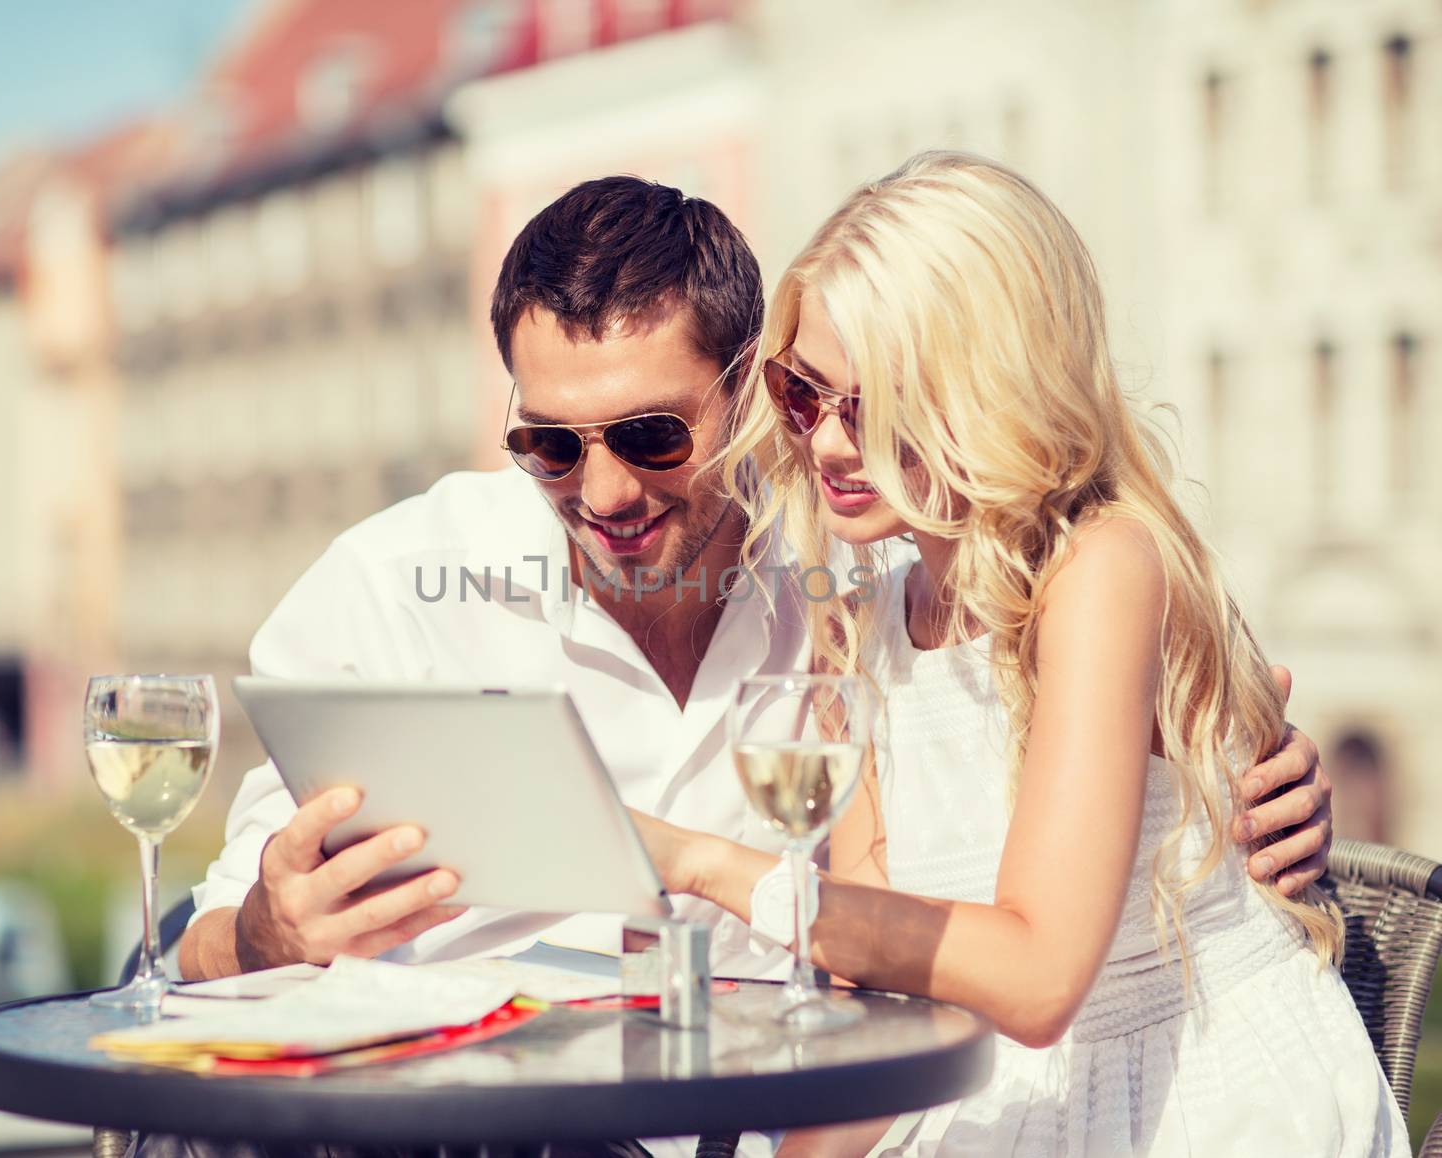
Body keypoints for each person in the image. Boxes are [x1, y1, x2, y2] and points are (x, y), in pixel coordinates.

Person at [175, 176, 1335, 1156]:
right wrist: (273, 930)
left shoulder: (840, 588)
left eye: (651, 435)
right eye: (547, 446)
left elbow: (1000, 887)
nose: (605, 491)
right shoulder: (394, 588)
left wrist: (1240, 768)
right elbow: (200, 950)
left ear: (737, 395)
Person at [632, 152, 1403, 1156]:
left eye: (870, 406)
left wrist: (696, 864)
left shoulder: (1101, 568)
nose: (822, 443)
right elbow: (882, 987)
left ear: (986, 392)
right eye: (801, 392)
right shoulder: (864, 621)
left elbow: (1038, 983)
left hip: (1184, 1098)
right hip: (988, 1089)